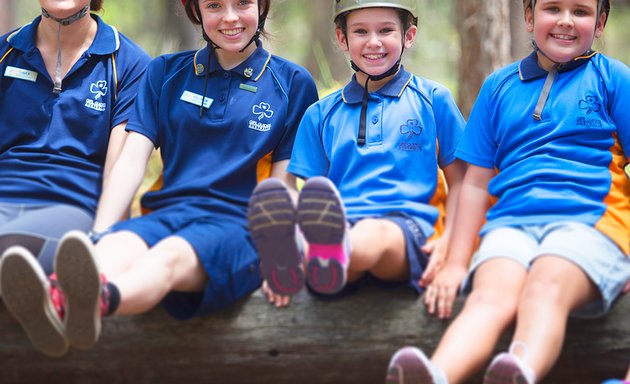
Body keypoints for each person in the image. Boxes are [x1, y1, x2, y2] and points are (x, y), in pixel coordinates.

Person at [0, 0, 318, 358]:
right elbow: (131, 161)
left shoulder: (292, 83)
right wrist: (99, 234)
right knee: (114, 247)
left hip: (236, 226)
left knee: (167, 257)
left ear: (262, 6)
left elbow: (282, 186)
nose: (230, 17)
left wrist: (279, 250)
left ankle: (96, 302)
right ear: (196, 12)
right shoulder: (166, 72)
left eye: (242, 3)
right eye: (214, 5)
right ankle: (57, 299)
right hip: (166, 215)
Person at [386, 0, 630, 383]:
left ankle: (519, 370)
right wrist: (454, 264)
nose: (565, 21)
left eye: (580, 12)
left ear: (600, 23)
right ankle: (436, 374)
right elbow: (475, 184)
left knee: (545, 284)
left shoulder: (614, 78)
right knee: (489, 296)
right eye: (553, 8)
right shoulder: (499, 86)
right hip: (510, 225)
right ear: (529, 17)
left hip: (591, 225)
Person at [247, 0, 466, 307]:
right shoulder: (320, 114)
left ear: (409, 35)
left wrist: (451, 243)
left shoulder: (433, 100)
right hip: (340, 238)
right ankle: (300, 261)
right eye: (360, 31)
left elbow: (462, 183)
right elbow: (311, 192)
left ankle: (306, 254)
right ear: (342, 39)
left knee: (372, 233)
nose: (373, 42)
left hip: (409, 232)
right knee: (340, 255)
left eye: (386, 30)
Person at [0, 1, 149, 274]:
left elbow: (119, 172)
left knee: (12, 258)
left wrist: (101, 239)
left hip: (71, 207)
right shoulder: (4, 52)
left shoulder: (130, 64)